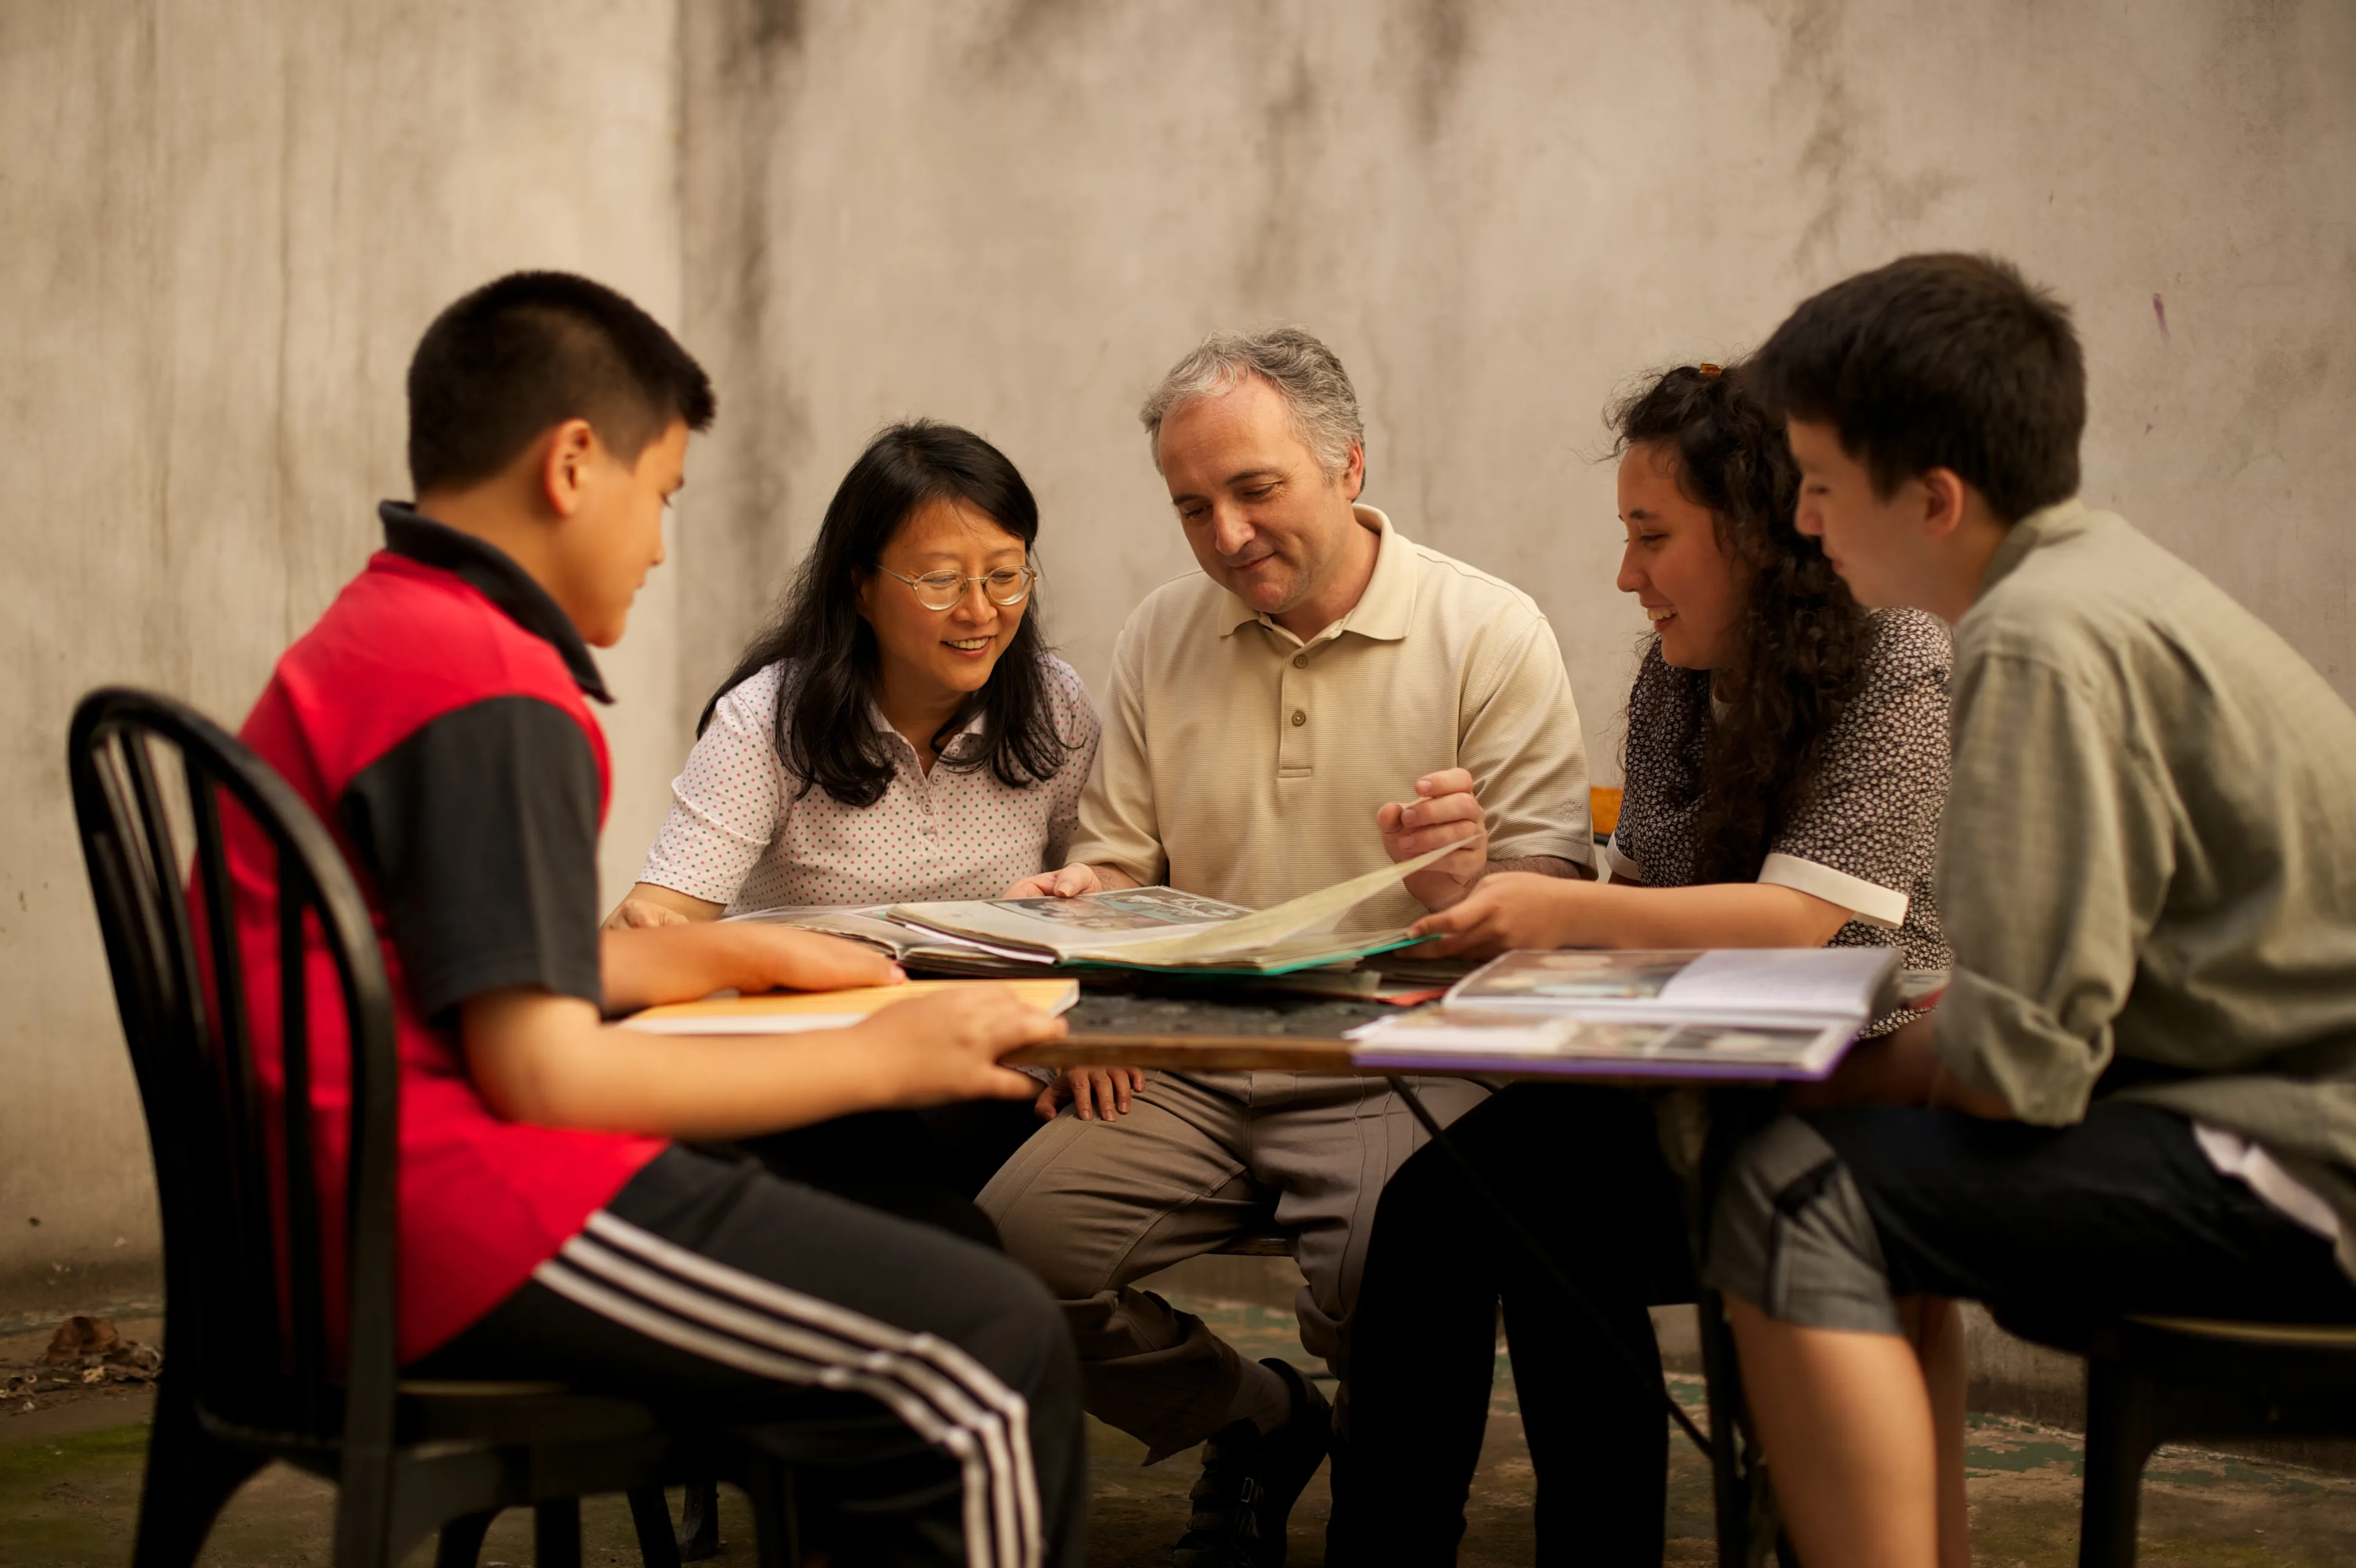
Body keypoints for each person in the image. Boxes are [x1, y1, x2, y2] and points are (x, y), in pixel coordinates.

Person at [227, 272, 1087, 1567]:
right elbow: (541, 1064)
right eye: (664, 494)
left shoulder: (385, 635)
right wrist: (891, 1051)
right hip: (444, 1222)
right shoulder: (493, 686)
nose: (660, 543)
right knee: (990, 1338)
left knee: (933, 1266)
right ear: (576, 463)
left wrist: (740, 944)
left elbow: (470, 963)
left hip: (324, 1214)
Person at [1703, 253, 2356, 1568]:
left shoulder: (2037, 643)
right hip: (2267, 1107)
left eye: (1821, 484)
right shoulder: (2103, 583)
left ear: (1933, 497)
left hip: (2308, 1156)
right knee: (1862, 1171)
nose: (1808, 521)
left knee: (1785, 1191)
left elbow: (2016, 1074)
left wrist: (1839, 1069)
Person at [980, 326, 1594, 1566]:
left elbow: (1554, 898)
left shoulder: (1489, 628)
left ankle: (1383, 1521)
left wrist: (1478, 882)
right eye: (1192, 506)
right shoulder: (1162, 633)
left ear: (1349, 466)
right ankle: (1257, 1419)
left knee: (1403, 1293)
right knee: (998, 1264)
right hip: (1189, 1052)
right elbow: (1123, 861)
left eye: (1255, 491)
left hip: (1399, 1055)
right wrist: (1082, 906)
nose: (1225, 536)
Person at [1326, 361, 1954, 1566]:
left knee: (1550, 1218)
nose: (1629, 577)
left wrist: (1552, 919)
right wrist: (1472, 892)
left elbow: (1802, 921)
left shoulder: (1897, 659)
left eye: (1653, 536)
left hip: (1862, 1098)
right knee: (1440, 1210)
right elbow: (1654, 908)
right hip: (1692, 1078)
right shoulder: (1675, 681)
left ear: (1766, 534)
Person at [609, 420, 1102, 1211]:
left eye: (1006, 576)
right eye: (940, 582)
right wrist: (646, 931)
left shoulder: (1054, 705)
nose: (980, 612)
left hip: (997, 1071)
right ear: (859, 586)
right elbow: (661, 919)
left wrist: (1099, 1025)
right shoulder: (768, 719)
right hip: (820, 1081)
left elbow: (1100, 894)